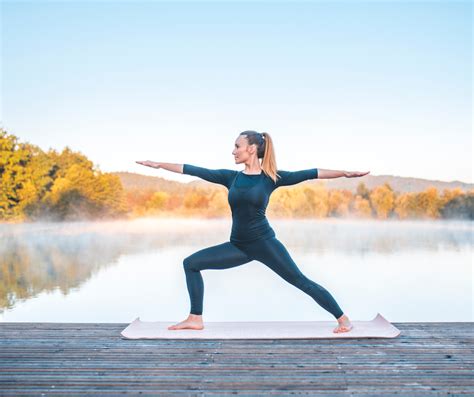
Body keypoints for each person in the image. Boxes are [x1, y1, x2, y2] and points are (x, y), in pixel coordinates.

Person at [136, 131, 369, 333]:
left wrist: (345, 173)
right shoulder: (231, 177)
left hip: (265, 244)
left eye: (237, 146)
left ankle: (343, 319)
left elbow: (312, 172)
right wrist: (159, 165)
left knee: (300, 281)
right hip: (238, 246)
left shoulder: (271, 178)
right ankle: (195, 318)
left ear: (252, 148)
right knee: (191, 263)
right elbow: (193, 170)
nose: (233, 151)